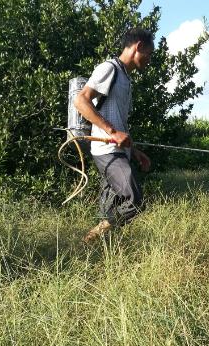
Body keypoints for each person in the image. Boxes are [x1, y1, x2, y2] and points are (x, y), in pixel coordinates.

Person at [74, 28, 154, 243]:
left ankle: (89, 245)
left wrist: (134, 151)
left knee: (108, 212)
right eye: (149, 53)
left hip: (119, 150)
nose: (149, 59)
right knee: (134, 200)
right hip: (107, 150)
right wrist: (111, 132)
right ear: (138, 47)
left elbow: (119, 123)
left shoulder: (125, 79)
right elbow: (81, 101)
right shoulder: (109, 69)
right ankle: (93, 239)